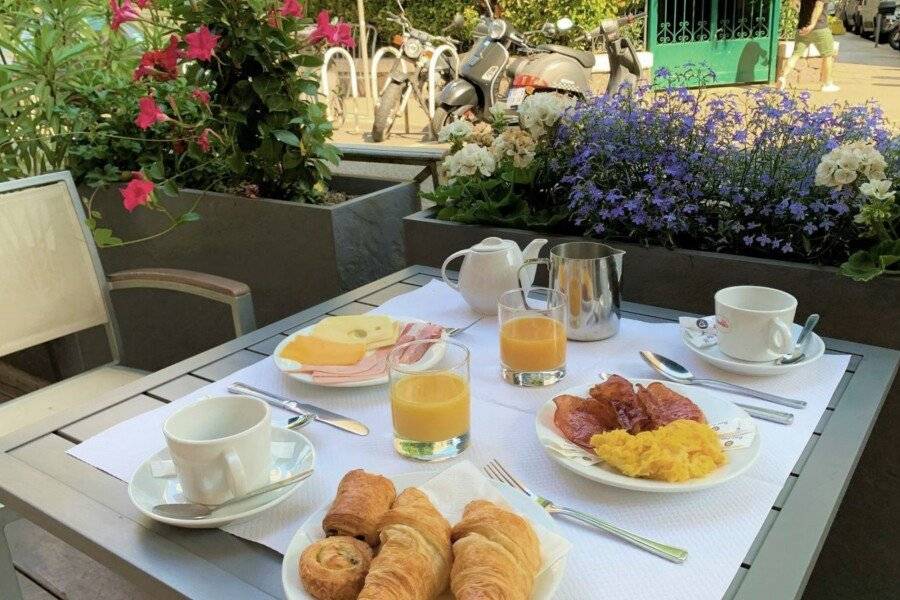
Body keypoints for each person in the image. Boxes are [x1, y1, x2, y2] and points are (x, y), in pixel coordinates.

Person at [776, 0, 839, 92]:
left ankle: (782, 77)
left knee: (795, 54)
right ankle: (827, 84)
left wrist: (799, 10)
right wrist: (812, 24)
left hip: (802, 27)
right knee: (827, 55)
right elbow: (818, 6)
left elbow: (793, 1)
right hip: (819, 28)